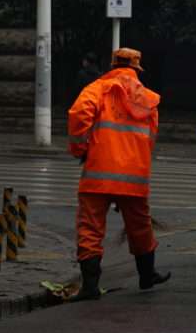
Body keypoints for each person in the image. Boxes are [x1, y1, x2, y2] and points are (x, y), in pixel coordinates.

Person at [67, 47, 170, 301]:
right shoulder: (149, 100)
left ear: (112, 65)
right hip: (134, 176)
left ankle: (90, 287)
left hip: (99, 174)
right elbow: (150, 139)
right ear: (137, 69)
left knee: (90, 229)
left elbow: (78, 115)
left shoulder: (96, 89)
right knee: (140, 227)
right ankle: (147, 276)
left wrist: (80, 149)